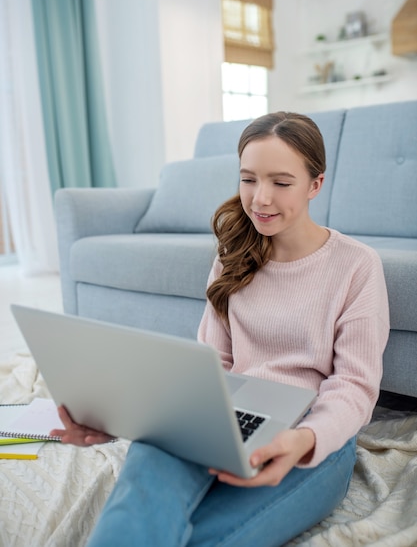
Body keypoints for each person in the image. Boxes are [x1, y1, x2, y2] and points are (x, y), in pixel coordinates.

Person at [51, 111, 390, 546]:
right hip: (218, 415)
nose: (261, 199)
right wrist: (117, 418)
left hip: (308, 437)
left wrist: (304, 440)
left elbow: (355, 386)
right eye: (249, 179)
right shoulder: (233, 253)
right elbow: (211, 365)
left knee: (205, 538)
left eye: (281, 183)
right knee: (138, 505)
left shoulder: (356, 266)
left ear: (315, 184)